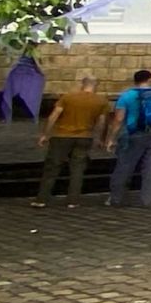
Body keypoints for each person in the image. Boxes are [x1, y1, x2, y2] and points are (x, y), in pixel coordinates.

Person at [30, 75, 112, 209]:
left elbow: (54, 116)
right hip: (85, 137)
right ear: (96, 85)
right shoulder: (101, 101)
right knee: (78, 169)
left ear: (82, 84)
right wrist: (100, 138)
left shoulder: (68, 97)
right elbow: (102, 122)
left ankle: (42, 199)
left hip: (61, 135)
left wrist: (45, 134)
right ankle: (73, 200)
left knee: (52, 167)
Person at [107, 69, 151, 207]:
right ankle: (148, 200)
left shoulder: (127, 96)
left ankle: (116, 198)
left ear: (135, 81)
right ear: (150, 79)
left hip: (134, 134)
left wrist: (111, 138)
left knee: (125, 165)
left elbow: (119, 119)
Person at [1, 54, 43, 122]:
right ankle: (8, 116)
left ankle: (33, 116)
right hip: (18, 72)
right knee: (9, 93)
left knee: (34, 93)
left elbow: (40, 64)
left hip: (30, 74)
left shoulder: (35, 52)